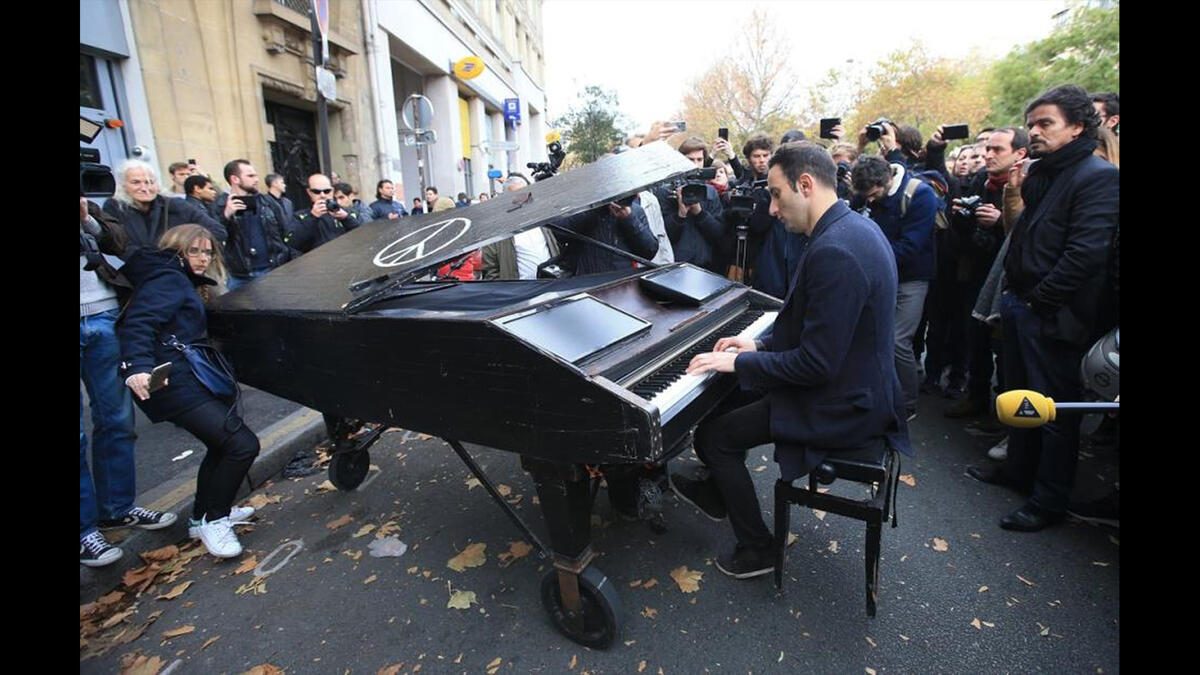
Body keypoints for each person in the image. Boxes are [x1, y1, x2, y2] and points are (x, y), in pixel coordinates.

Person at [671, 142, 911, 578]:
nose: (774, 209)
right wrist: (757, 348)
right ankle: (722, 493)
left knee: (714, 437)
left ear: (806, 184)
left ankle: (758, 548)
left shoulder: (835, 250)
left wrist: (740, 365)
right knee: (729, 403)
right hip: (856, 384)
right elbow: (826, 331)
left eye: (777, 195)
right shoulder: (855, 228)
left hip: (843, 404)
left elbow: (817, 365)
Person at [966, 85, 1119, 532]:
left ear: (1077, 126)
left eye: (1045, 123)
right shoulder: (1041, 174)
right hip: (1020, 305)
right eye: (1031, 124)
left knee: (1052, 412)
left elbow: (1084, 256)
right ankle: (1018, 471)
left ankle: (1048, 500)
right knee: (1020, 398)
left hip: (1053, 315)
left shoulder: (1099, 177)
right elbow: (1025, 237)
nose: (1034, 131)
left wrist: (1038, 300)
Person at [119, 224, 261, 558]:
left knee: (219, 444)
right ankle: (215, 519)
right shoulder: (168, 278)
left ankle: (202, 515)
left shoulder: (179, 278)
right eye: (193, 251)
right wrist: (137, 366)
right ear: (176, 250)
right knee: (242, 445)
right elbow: (138, 322)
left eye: (208, 251)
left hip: (185, 377)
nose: (202, 258)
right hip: (173, 382)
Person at [80, 198, 176, 567]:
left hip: (103, 314)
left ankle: (117, 509)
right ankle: (84, 529)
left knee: (118, 422)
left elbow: (118, 240)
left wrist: (88, 220)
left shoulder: (89, 204)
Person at [944, 128, 1029, 419]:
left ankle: (1009, 417)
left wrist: (999, 222)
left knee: (1005, 350)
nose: (988, 155)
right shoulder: (981, 181)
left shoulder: (1029, 185)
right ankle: (976, 397)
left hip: (1008, 278)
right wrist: (964, 216)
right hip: (977, 272)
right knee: (976, 339)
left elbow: (1027, 237)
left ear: (1020, 153)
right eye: (987, 149)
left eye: (997, 150)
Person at [851, 154, 938, 420]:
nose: (870, 201)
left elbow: (912, 245)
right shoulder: (868, 194)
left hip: (911, 278)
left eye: (874, 194)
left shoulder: (921, 195)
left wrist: (871, 258)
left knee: (898, 340)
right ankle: (876, 393)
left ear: (887, 180)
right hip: (876, 275)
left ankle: (906, 403)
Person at [103, 159, 225, 249]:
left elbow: (218, 231)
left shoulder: (176, 205)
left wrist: (182, 246)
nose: (145, 188)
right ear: (123, 185)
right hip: (138, 271)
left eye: (150, 182)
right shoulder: (115, 207)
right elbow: (111, 242)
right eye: (136, 182)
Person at [215, 159, 296, 291]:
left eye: (256, 175)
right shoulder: (220, 205)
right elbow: (214, 237)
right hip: (239, 276)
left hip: (271, 271)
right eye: (250, 176)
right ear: (235, 179)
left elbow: (286, 233)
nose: (257, 179)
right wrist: (226, 215)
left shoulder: (268, 203)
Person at [651, 137, 726, 273]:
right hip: (675, 267)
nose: (695, 164)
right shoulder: (664, 191)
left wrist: (700, 213)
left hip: (705, 266)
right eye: (690, 160)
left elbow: (718, 233)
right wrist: (680, 214)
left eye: (699, 159)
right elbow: (664, 235)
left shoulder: (710, 191)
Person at [480, 173, 560, 280]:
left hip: (551, 285)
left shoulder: (542, 220)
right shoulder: (498, 231)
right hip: (521, 292)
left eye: (525, 193)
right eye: (517, 194)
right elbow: (490, 269)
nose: (522, 198)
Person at [286, 173, 363, 253]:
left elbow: (362, 236)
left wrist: (346, 218)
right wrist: (312, 217)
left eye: (327, 191)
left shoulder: (346, 212)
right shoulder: (300, 216)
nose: (322, 195)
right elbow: (293, 244)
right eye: (316, 192)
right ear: (309, 192)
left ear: (332, 191)